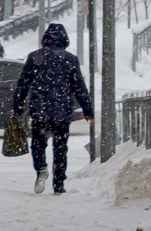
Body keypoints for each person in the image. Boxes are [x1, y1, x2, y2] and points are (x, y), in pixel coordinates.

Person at [11, 23, 93, 195]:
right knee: (61, 146)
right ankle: (59, 183)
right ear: (64, 39)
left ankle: (41, 168)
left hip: (40, 108)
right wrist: (88, 110)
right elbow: (79, 87)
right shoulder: (70, 59)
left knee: (38, 144)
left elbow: (23, 85)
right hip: (62, 110)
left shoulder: (34, 57)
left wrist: (18, 108)